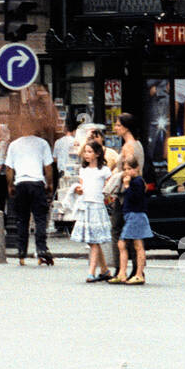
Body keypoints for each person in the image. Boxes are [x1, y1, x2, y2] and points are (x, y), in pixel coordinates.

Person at [5, 127, 55, 265]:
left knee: (22, 219)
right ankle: (41, 249)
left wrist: (10, 185)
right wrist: (50, 184)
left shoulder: (14, 144)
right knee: (40, 218)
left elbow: (9, 168)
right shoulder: (42, 143)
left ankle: (21, 251)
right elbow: (48, 166)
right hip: (37, 182)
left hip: (21, 183)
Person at [70, 139, 112, 282]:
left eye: (90, 152)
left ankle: (91, 272)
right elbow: (82, 187)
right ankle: (104, 269)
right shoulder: (83, 170)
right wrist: (78, 190)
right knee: (94, 241)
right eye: (85, 152)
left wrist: (107, 194)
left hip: (97, 206)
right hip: (86, 206)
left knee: (94, 241)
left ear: (98, 154)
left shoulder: (104, 170)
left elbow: (110, 185)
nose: (86, 154)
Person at [110, 114, 144, 278]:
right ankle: (135, 270)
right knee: (132, 232)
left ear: (126, 127)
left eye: (118, 125)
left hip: (125, 192)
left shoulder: (128, 147)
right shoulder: (138, 144)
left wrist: (115, 179)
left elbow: (128, 171)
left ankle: (121, 269)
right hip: (133, 192)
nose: (115, 128)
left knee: (118, 230)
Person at [108, 158, 151, 285]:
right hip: (130, 215)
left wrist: (127, 186)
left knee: (135, 244)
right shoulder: (134, 181)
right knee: (123, 244)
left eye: (130, 169)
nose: (127, 172)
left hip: (135, 215)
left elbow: (135, 197)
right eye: (125, 169)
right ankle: (122, 273)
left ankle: (138, 274)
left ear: (136, 168)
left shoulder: (138, 181)